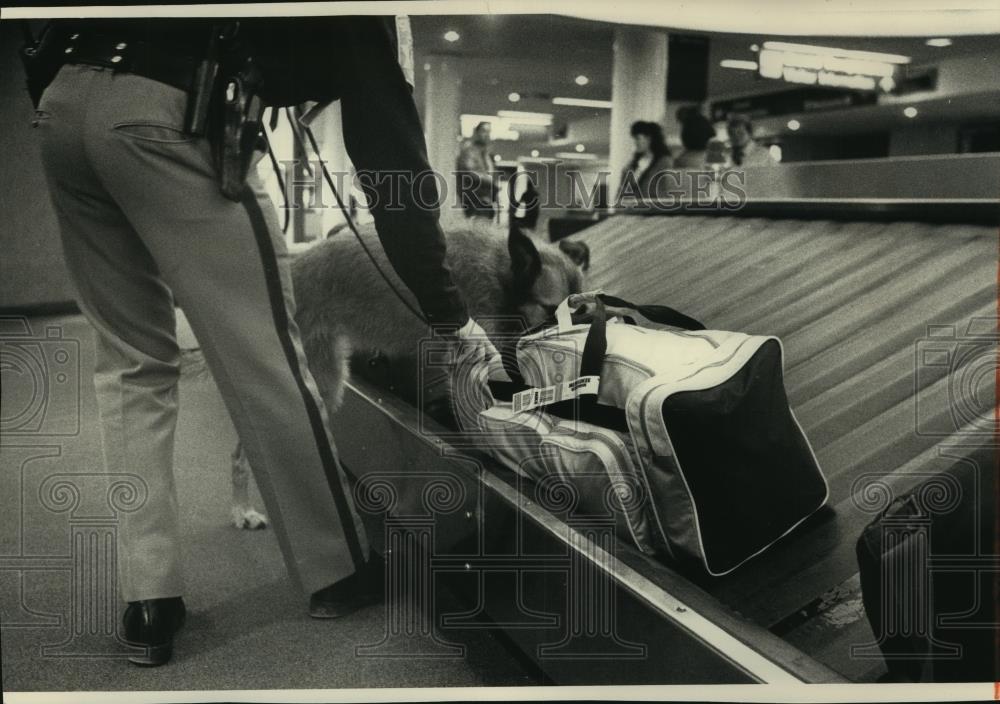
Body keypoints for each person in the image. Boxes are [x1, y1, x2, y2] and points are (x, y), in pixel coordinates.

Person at [28, 16, 492, 666]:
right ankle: (339, 570)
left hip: (63, 108)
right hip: (171, 113)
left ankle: (148, 599)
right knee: (269, 352)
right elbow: (394, 169)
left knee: (133, 365)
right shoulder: (368, 16)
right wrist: (451, 316)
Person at [620, 120, 673, 201]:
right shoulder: (632, 164)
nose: (635, 142)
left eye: (638, 138)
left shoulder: (664, 163)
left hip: (653, 210)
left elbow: (664, 193)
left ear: (649, 139)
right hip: (631, 210)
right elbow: (623, 191)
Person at [455, 121, 497, 219]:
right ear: (476, 132)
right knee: (477, 227)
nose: (486, 134)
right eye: (483, 131)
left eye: (489, 132)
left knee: (484, 227)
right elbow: (468, 172)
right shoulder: (470, 151)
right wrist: (488, 179)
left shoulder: (486, 153)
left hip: (485, 197)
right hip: (474, 197)